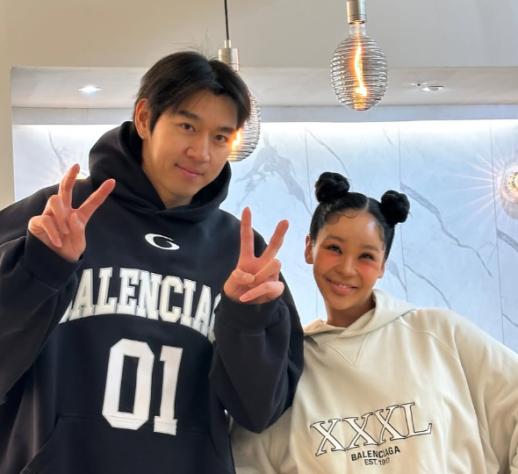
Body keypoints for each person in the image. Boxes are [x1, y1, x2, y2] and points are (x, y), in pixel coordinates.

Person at [0, 51, 303, 474]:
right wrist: (41, 270)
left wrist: (248, 321)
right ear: (144, 118)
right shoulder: (56, 218)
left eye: (221, 137)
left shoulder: (241, 253)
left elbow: (259, 412)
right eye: (187, 126)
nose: (201, 152)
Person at [232, 171, 518, 473]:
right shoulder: (287, 365)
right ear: (309, 248)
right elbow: (245, 462)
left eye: (366, 256)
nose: (347, 268)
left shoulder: (441, 333)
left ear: (383, 264)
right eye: (334, 248)